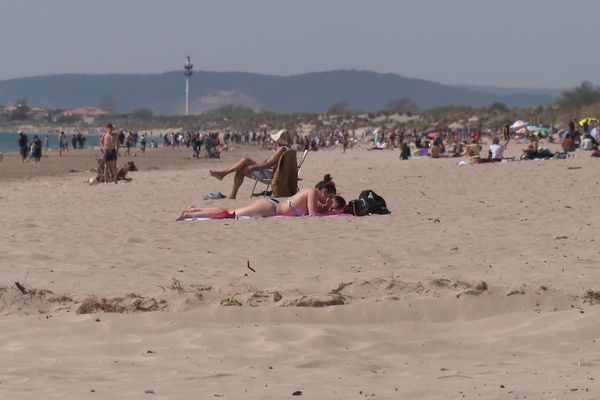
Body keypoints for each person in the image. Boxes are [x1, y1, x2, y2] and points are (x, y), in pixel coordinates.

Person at [177, 175, 342, 220]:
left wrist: (327, 208)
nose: (327, 200)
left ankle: (194, 210)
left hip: (271, 207)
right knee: (230, 214)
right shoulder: (312, 191)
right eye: (328, 196)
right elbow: (313, 214)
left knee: (230, 213)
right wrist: (329, 212)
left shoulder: (313, 196)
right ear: (323, 191)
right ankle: (189, 214)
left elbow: (315, 210)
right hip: (270, 207)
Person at [209, 130, 291, 199]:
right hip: (273, 171)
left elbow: (270, 164)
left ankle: (228, 186)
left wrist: (253, 166)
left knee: (241, 168)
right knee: (244, 161)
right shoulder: (287, 149)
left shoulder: (281, 149)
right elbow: (271, 162)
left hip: (270, 174)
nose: (274, 141)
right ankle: (223, 175)